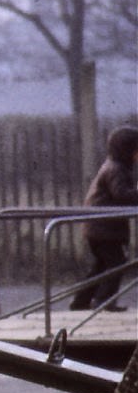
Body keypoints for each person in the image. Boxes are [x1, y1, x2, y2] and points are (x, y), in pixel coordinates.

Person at [68, 125, 138, 311]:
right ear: (126, 150)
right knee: (116, 264)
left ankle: (80, 301)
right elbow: (121, 194)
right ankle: (104, 301)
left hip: (99, 227)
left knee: (100, 267)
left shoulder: (115, 166)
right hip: (103, 228)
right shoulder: (116, 170)